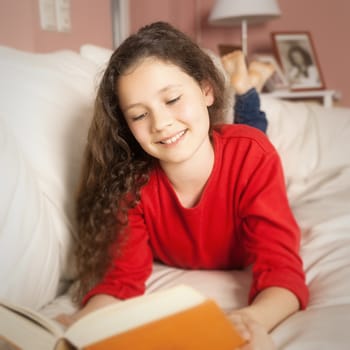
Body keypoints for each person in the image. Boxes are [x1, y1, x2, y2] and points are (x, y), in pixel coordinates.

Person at [59, 22, 309, 349]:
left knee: (254, 132)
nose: (161, 123)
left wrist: (252, 319)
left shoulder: (253, 156)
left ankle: (248, 90)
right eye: (138, 115)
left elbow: (282, 271)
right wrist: (80, 326)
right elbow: (120, 280)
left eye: (173, 99)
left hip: (246, 160)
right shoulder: (131, 183)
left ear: (206, 90)